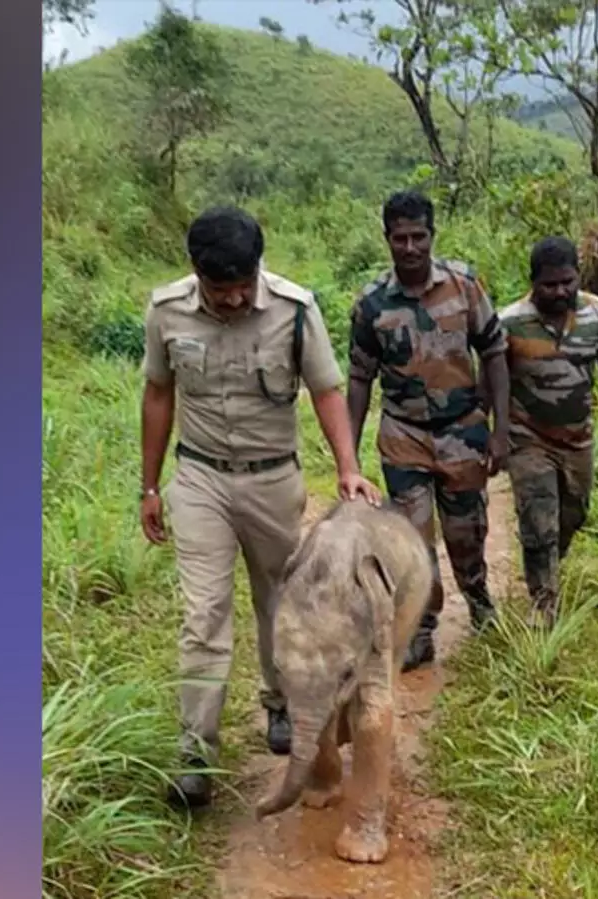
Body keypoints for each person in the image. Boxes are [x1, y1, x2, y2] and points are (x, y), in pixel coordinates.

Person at [138, 205, 379, 809]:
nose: (235, 298)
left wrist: (348, 468)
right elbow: (159, 393)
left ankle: (280, 706)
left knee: (280, 601)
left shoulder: (294, 312)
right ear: (197, 274)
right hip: (199, 480)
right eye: (221, 289)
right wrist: (149, 485)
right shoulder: (166, 312)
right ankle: (197, 750)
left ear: (258, 268)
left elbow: (326, 389)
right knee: (204, 615)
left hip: (273, 481)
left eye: (244, 284)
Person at [346, 190, 510, 672]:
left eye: (420, 236)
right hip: (405, 436)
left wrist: (500, 430)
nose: (411, 247)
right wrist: (348, 458)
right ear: (387, 240)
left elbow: (495, 352)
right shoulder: (372, 305)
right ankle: (421, 629)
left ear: (432, 236)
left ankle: (479, 600)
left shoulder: (464, 287)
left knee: (466, 531)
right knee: (412, 541)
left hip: (463, 432)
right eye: (401, 238)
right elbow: (359, 377)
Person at [498, 236, 598, 627]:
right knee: (538, 518)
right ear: (533, 282)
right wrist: (494, 435)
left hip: (578, 438)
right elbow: (493, 384)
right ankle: (543, 603)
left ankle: (549, 567)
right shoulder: (510, 322)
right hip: (528, 438)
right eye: (549, 284)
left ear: (578, 276)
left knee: (573, 514)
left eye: (567, 282)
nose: (560, 291)